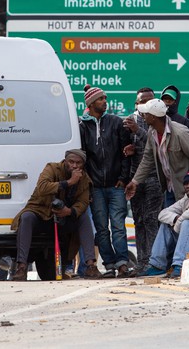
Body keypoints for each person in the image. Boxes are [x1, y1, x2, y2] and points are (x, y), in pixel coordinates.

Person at [11, 150, 99, 281]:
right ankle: (21, 267)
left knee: (84, 217)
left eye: (78, 163)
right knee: (26, 217)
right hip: (42, 213)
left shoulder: (84, 179)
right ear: (65, 161)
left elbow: (83, 202)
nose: (74, 166)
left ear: (83, 165)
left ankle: (91, 266)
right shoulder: (52, 168)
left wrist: (69, 211)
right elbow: (43, 187)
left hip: (64, 217)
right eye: (71, 162)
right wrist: (69, 182)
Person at [125, 99, 189, 208]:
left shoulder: (180, 133)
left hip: (188, 190)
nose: (143, 116)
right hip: (170, 189)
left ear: (153, 117)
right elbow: (147, 160)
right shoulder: (152, 132)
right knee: (169, 222)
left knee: (186, 223)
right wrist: (135, 182)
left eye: (146, 114)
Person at [80, 86, 133, 278]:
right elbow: (82, 159)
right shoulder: (82, 126)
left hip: (115, 186)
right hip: (95, 188)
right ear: (91, 103)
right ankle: (109, 265)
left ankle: (122, 264)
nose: (105, 101)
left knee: (118, 226)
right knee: (101, 229)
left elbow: (126, 153)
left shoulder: (116, 122)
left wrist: (123, 178)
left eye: (105, 98)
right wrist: (87, 185)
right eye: (101, 98)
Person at [123, 87, 164, 274]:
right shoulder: (128, 121)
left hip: (155, 176)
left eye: (149, 100)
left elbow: (155, 142)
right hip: (135, 178)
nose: (146, 104)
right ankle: (141, 262)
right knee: (138, 220)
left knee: (151, 219)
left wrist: (138, 131)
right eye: (142, 101)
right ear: (136, 104)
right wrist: (128, 148)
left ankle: (154, 262)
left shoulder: (155, 119)